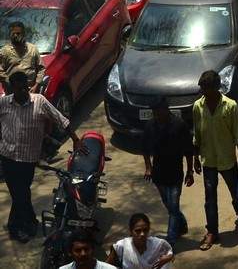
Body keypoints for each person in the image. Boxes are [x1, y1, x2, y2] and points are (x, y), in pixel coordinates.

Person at [0, 71, 88, 243]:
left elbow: (62, 120)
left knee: (21, 192)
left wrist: (76, 140)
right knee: (19, 193)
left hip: (27, 159)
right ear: (11, 89)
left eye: (26, 87)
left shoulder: (39, 102)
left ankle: (17, 226)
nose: (24, 91)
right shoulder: (3, 103)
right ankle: (29, 221)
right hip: (7, 156)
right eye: (19, 89)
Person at [192, 70, 238, 251]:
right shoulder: (198, 107)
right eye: (202, 88)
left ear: (216, 88)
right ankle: (212, 232)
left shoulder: (230, 106)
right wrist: (195, 160)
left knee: (236, 193)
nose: (204, 92)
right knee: (210, 198)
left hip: (227, 159)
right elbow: (196, 135)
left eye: (207, 88)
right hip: (208, 160)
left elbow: (237, 133)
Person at [142, 96, 194, 247]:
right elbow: (144, 148)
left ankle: (170, 240)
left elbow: (188, 151)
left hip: (175, 173)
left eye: (158, 112)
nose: (156, 115)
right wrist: (148, 167)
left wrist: (190, 172)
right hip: (158, 173)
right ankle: (182, 223)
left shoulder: (180, 126)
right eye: (154, 112)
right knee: (169, 204)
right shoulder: (150, 126)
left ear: (166, 110)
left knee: (172, 206)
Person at [106, 213, 174, 269]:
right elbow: (105, 266)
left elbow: (169, 251)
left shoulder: (157, 244)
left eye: (145, 230)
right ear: (130, 231)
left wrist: (169, 257)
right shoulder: (122, 246)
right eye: (138, 231)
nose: (142, 234)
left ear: (149, 229)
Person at [0, 21, 45, 93]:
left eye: (18, 33)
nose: (15, 36)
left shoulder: (32, 49)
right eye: (13, 34)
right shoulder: (4, 51)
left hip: (30, 90)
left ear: (23, 34)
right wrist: (8, 82)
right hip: (12, 91)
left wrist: (36, 85)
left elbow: (41, 68)